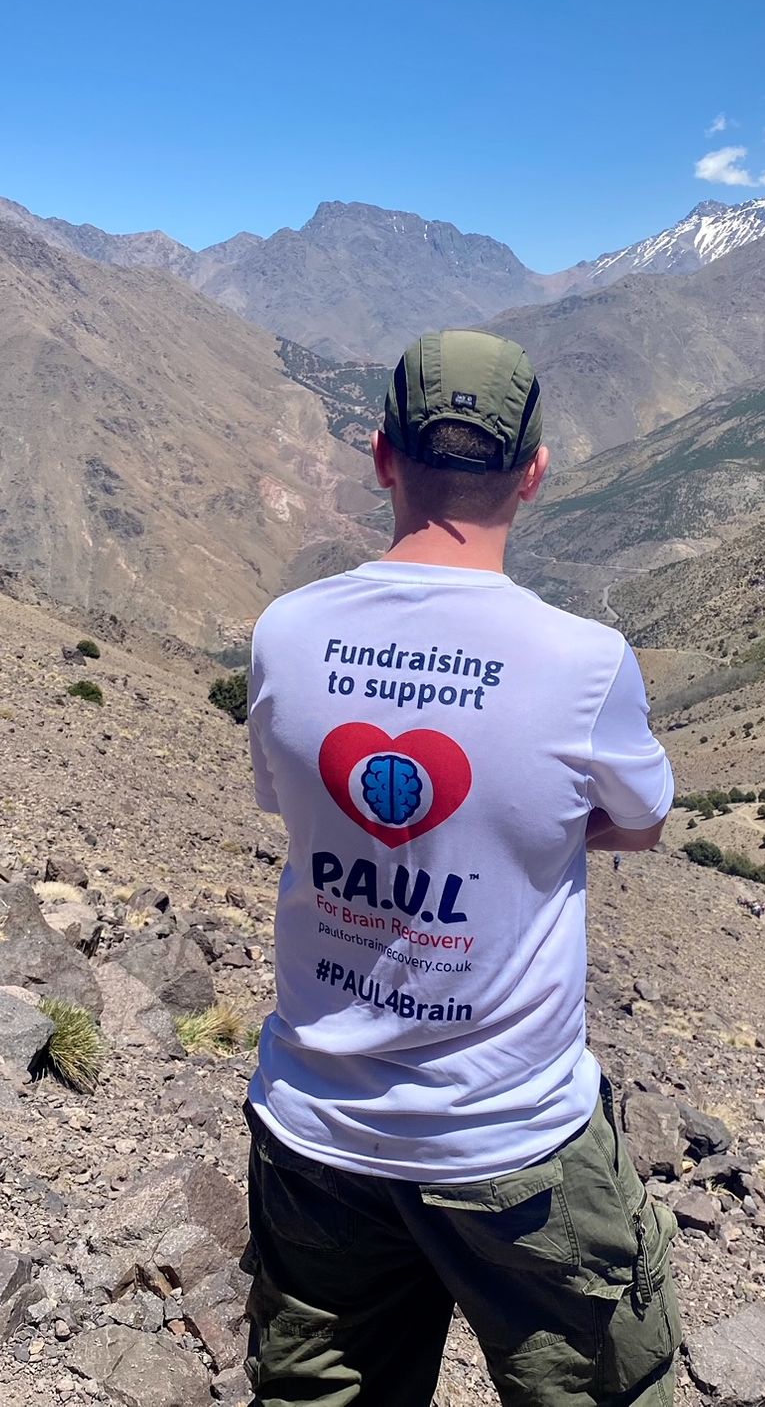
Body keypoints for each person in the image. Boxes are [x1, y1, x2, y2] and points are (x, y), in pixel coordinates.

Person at [241, 328, 679, 1406]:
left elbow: (294, 802)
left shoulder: (285, 633)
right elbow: (641, 821)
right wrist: (524, 826)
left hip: (315, 1132)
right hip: (513, 1146)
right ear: (533, 473)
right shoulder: (582, 662)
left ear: (379, 454)